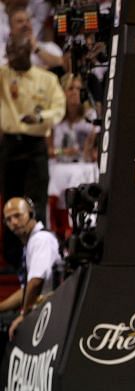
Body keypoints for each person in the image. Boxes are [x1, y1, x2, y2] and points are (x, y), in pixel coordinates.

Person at [0, 37, 65, 266]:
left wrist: (39, 117)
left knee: (34, 202)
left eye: (15, 53)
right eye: (7, 54)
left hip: (35, 145)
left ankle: (38, 256)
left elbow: (59, 108)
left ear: (27, 52)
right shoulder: (4, 74)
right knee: (10, 201)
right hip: (9, 145)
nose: (10, 59)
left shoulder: (46, 79)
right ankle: (12, 259)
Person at [1, 198, 60, 339]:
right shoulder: (31, 242)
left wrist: (23, 315)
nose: (13, 223)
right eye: (8, 220)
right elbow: (26, 290)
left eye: (17, 216)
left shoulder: (41, 240)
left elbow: (35, 283)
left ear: (31, 213)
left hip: (51, 312)